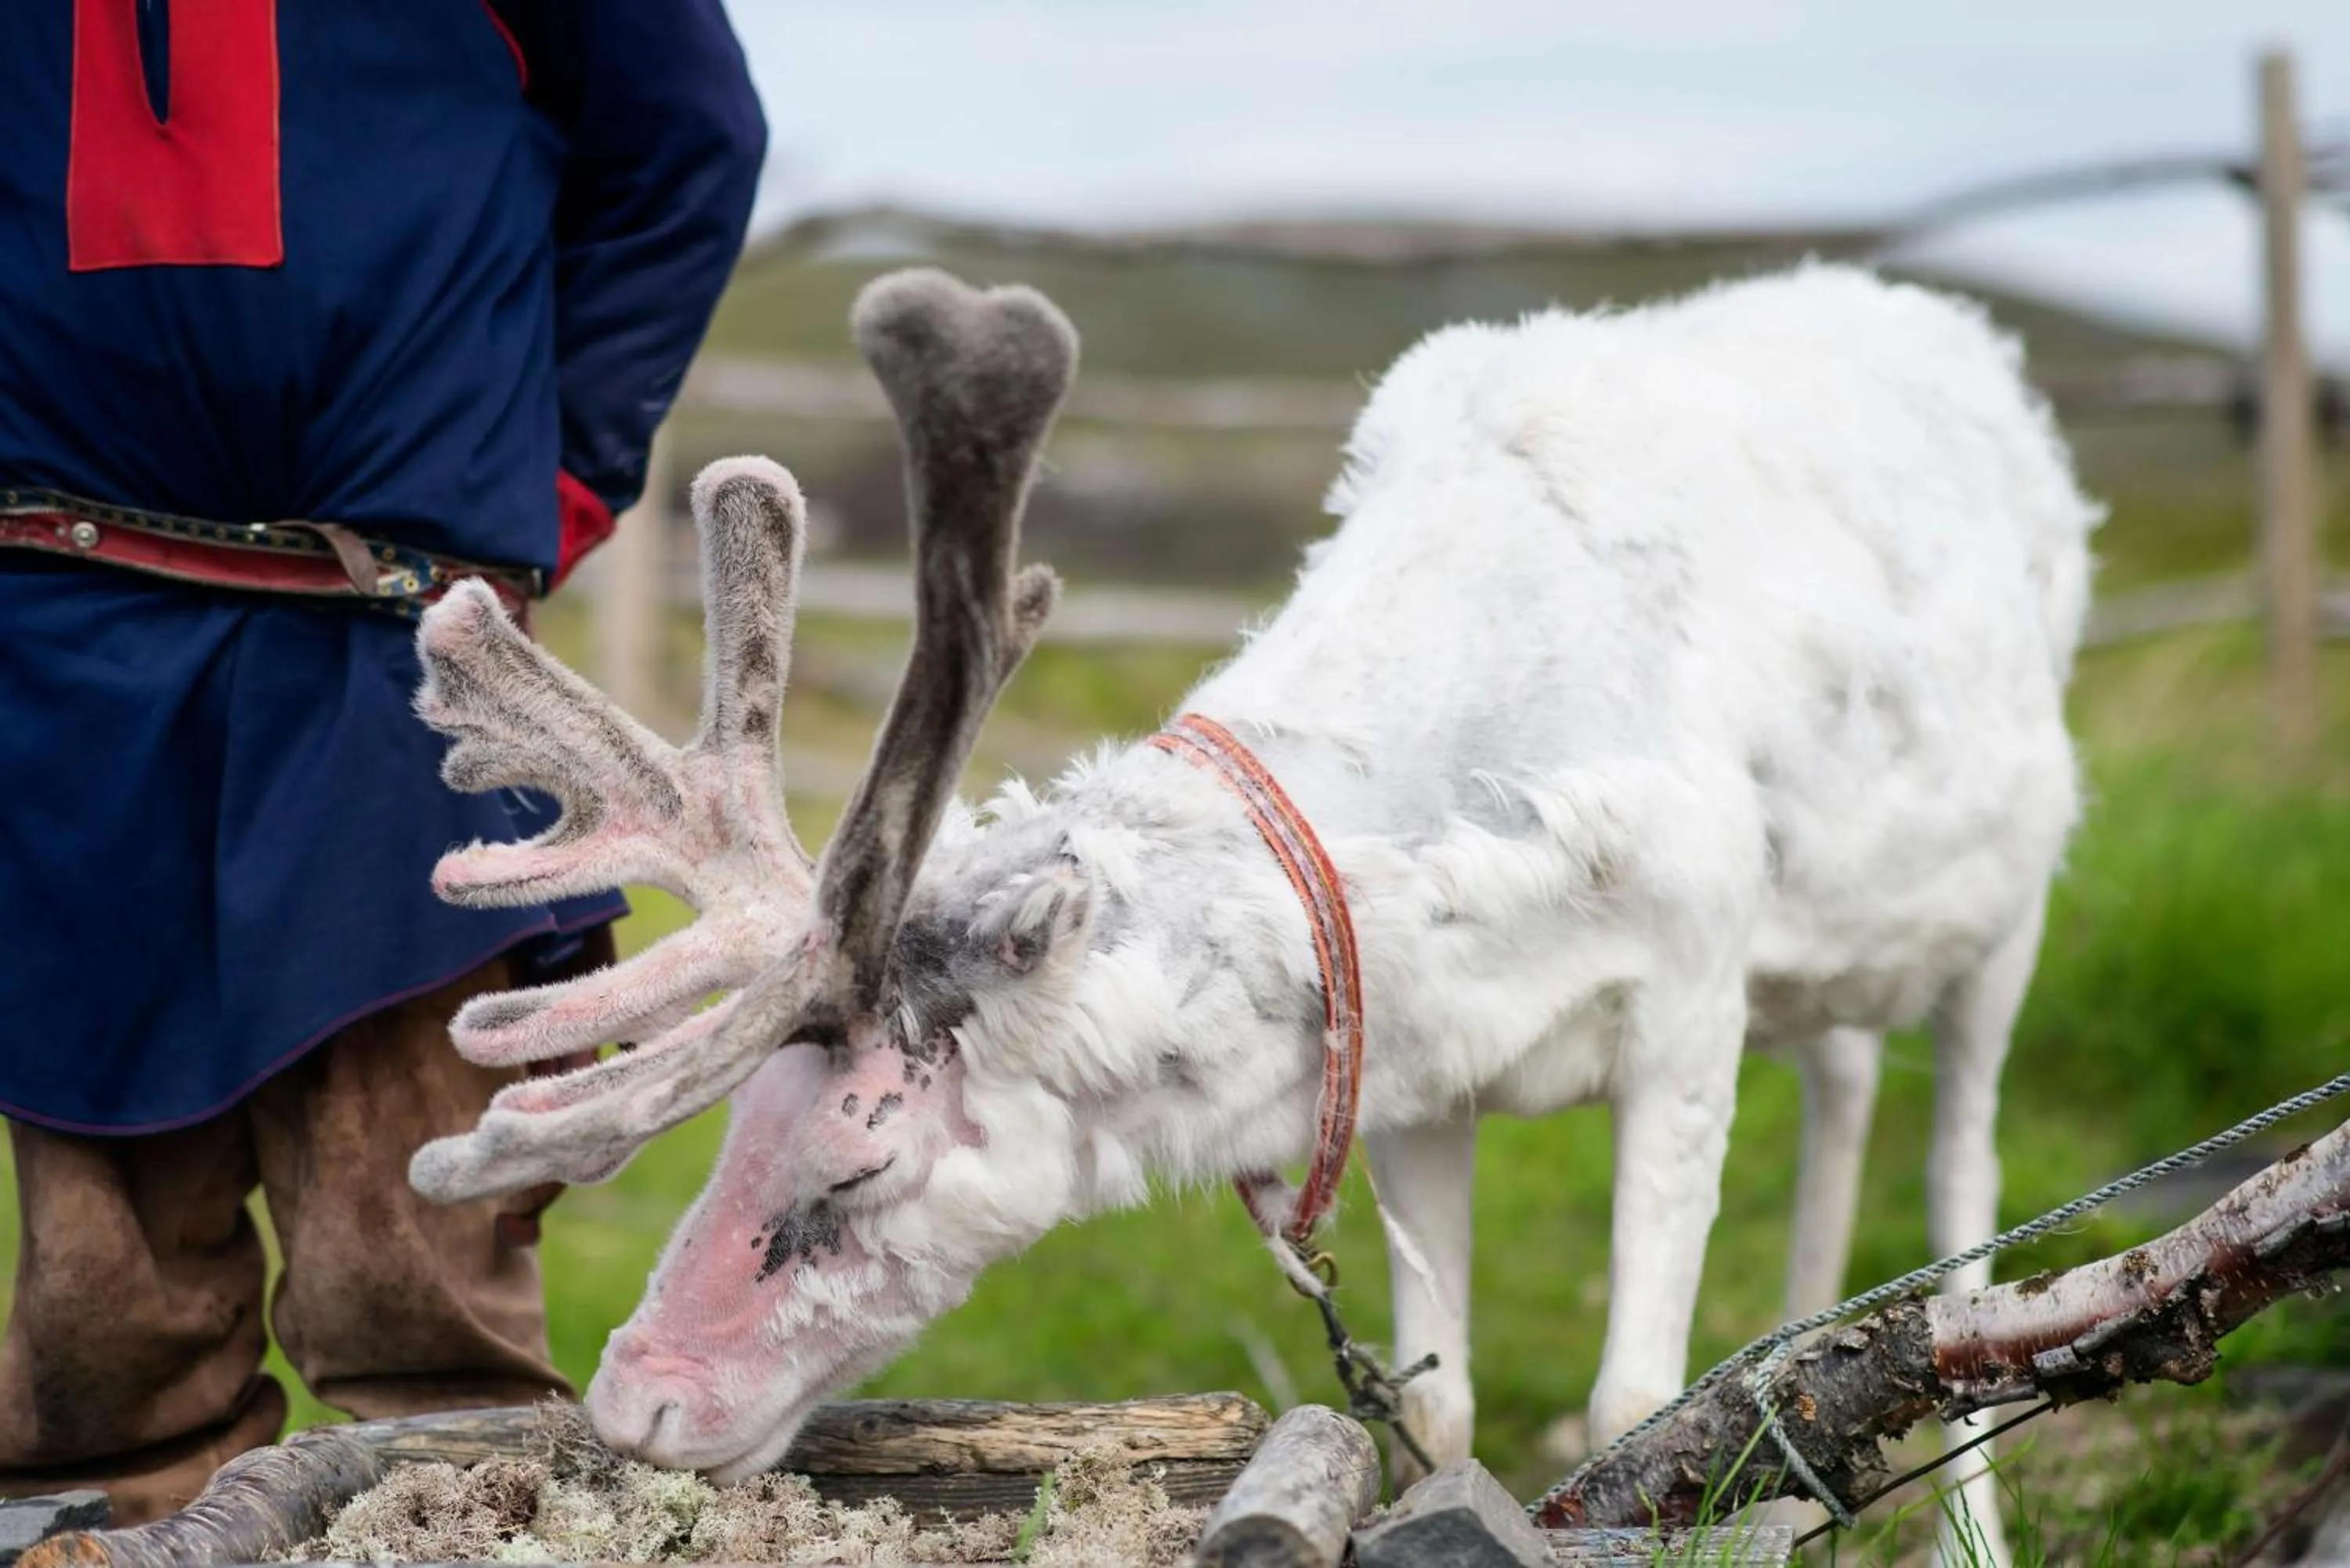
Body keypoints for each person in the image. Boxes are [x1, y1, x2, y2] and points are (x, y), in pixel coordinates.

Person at [0, 0, 764, 1523]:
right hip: (59, 652)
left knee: (416, 1277)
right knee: (104, 1320)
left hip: (391, 651)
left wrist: (552, 473)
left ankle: (448, 1540)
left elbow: (688, 142)